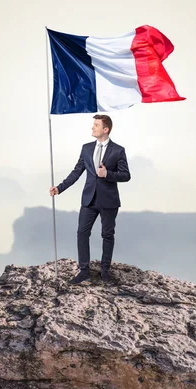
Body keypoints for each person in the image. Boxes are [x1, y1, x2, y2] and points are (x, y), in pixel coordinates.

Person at [50, 114, 131, 284]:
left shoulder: (118, 150)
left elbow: (126, 175)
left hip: (109, 201)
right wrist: (59, 188)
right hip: (89, 200)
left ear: (105, 129)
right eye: (93, 124)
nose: (92, 127)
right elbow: (76, 172)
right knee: (82, 233)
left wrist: (108, 174)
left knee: (107, 235)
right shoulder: (86, 148)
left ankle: (105, 272)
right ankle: (84, 271)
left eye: (96, 125)